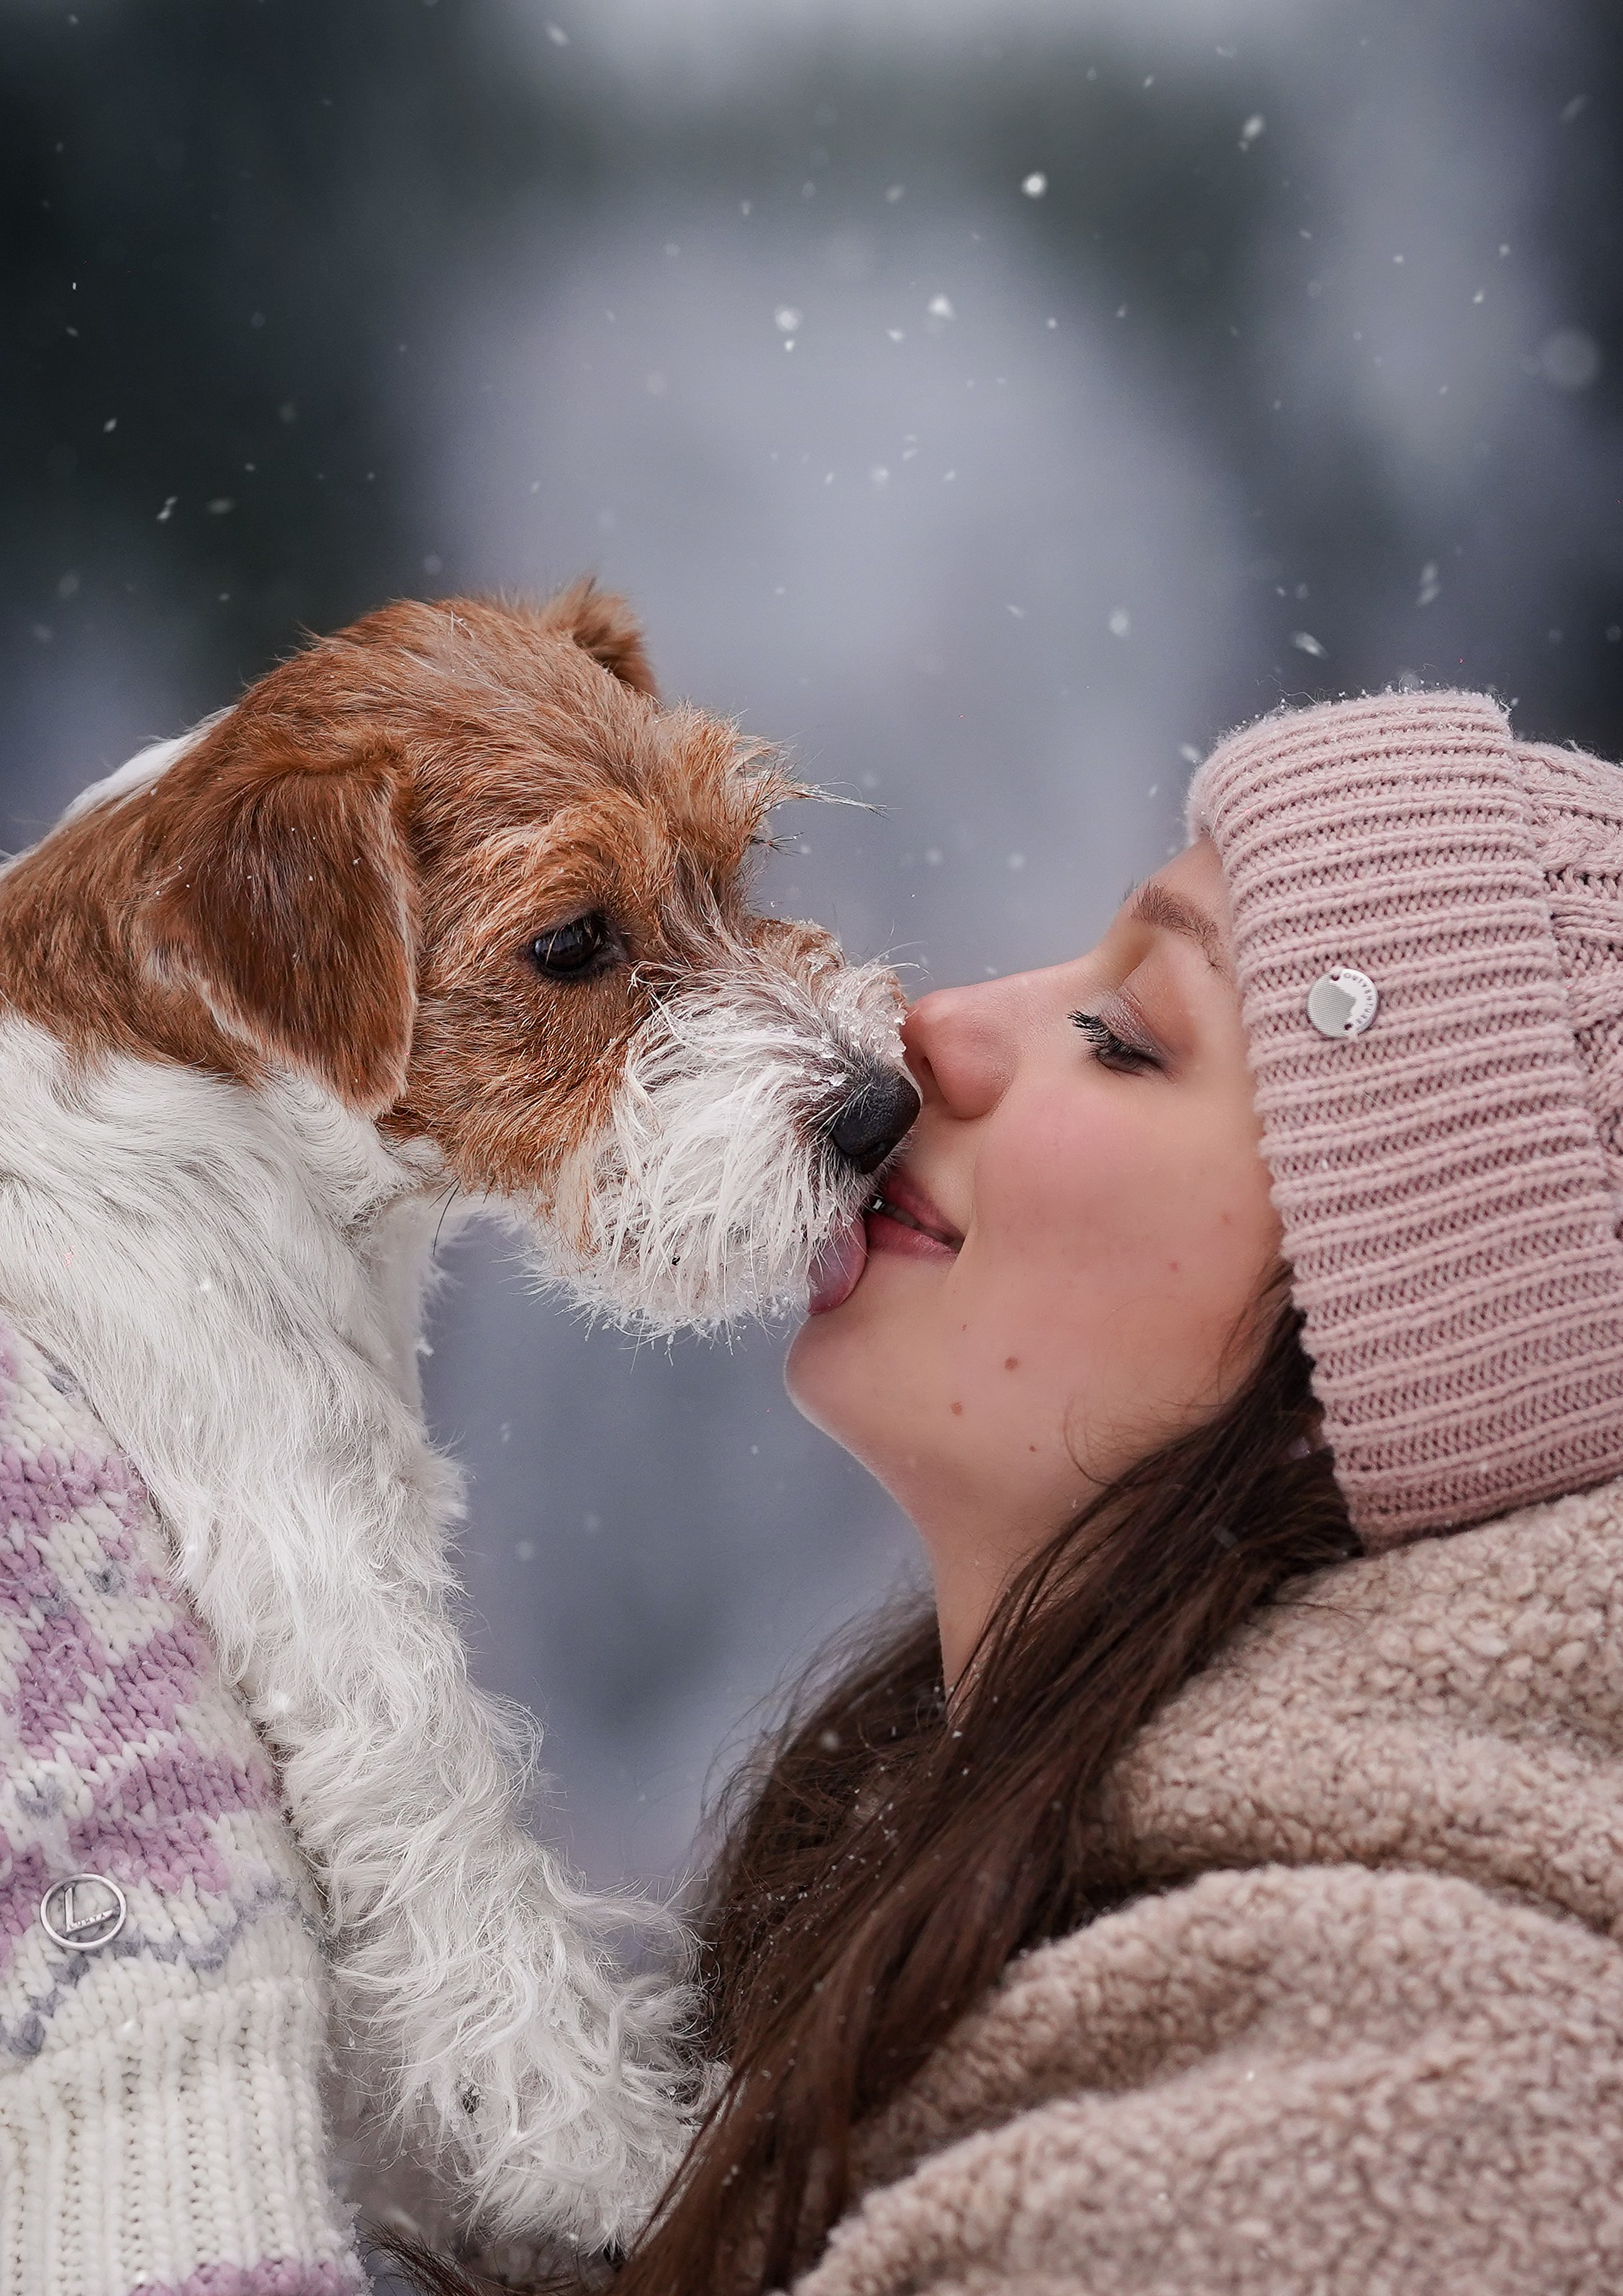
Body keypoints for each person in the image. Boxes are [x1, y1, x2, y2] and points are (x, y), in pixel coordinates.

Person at [404, 689, 1623, 2296]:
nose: (943, 1021)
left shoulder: (1389, 2139)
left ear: (1407, 1326)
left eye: (1126, 1036)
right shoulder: (975, 1884)